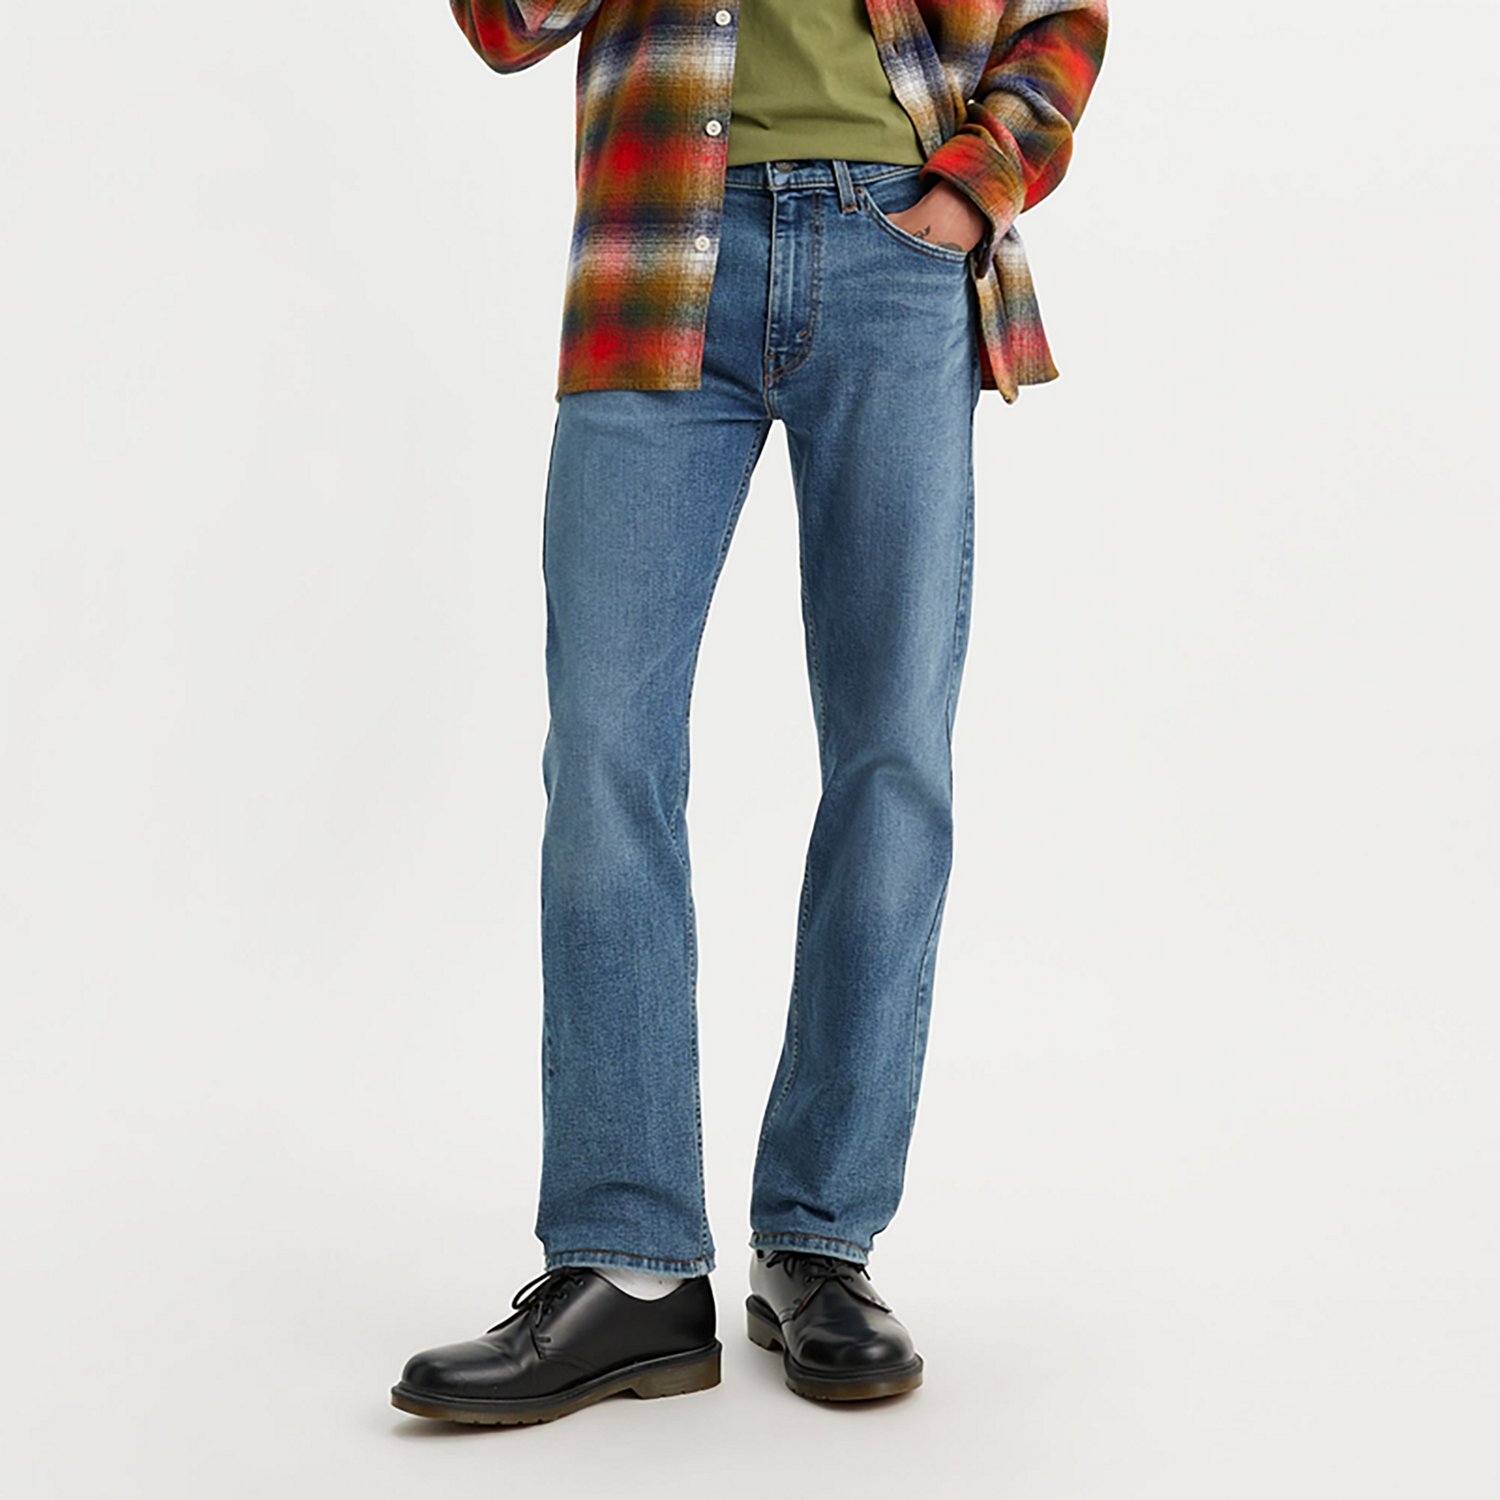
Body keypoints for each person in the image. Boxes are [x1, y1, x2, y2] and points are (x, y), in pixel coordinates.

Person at [391, 0, 1108, 1425]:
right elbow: (504, 25)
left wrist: (972, 192)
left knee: (891, 756)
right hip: (660, 247)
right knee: (607, 750)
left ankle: (821, 1242)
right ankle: (630, 1265)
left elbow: (1057, 19)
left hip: (897, 251)